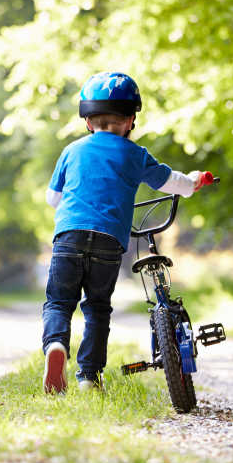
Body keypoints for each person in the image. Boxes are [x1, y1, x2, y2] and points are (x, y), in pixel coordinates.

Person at [41, 71, 209, 394]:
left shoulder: (72, 151)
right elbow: (170, 181)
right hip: (109, 242)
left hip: (68, 237)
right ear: (131, 120)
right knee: (98, 307)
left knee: (59, 302)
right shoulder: (135, 154)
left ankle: (56, 347)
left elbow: (53, 198)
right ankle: (88, 376)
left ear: (88, 121)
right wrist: (194, 182)